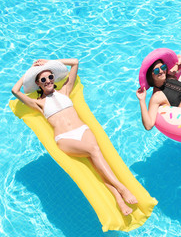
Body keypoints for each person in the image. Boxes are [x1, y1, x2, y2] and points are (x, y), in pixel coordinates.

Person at [12, 58, 137, 215]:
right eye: (43, 79)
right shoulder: (39, 103)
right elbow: (15, 91)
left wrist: (49, 62)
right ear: (38, 83)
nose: (48, 81)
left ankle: (119, 201)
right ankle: (121, 187)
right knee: (94, 150)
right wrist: (30, 72)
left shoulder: (65, 91)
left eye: (50, 77)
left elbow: (75, 62)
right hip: (65, 139)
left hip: (83, 130)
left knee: (97, 165)